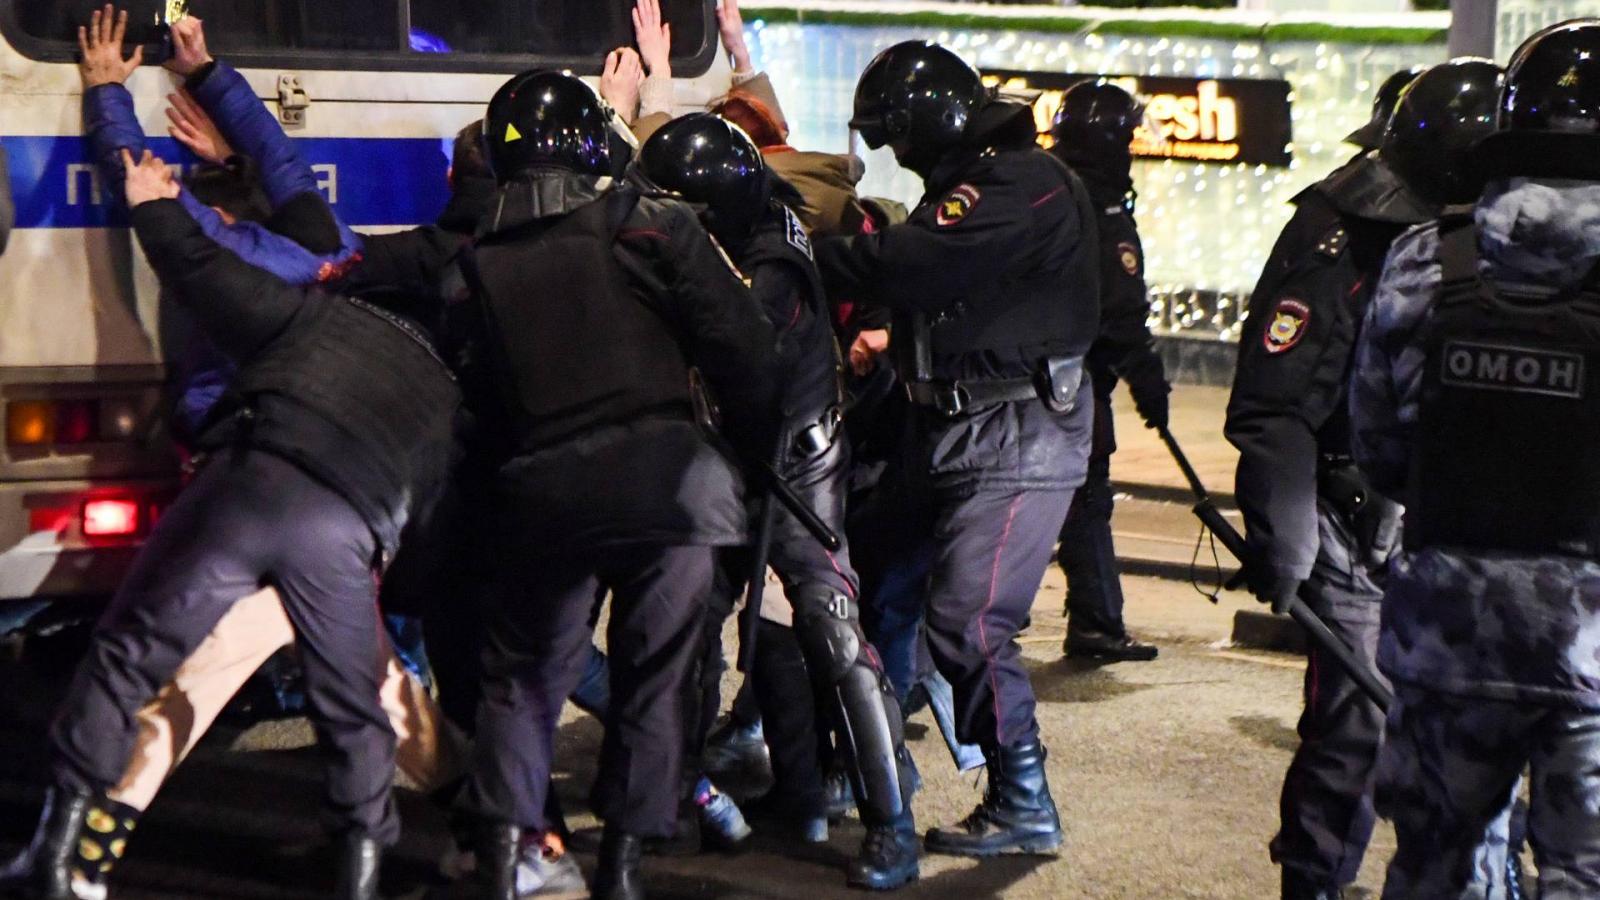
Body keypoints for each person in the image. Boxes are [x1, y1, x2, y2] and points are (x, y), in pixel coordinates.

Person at [0, 138, 458, 900]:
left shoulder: (313, 317)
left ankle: (58, 852)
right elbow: (436, 526)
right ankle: (360, 874)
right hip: (342, 532)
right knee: (354, 708)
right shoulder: (446, 393)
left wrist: (154, 205)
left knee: (126, 657)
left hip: (246, 489)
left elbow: (208, 273)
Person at [449, 70, 781, 900]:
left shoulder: (477, 263)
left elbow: (480, 399)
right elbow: (746, 350)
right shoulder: (650, 222)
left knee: (523, 678)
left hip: (546, 491)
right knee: (657, 679)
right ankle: (623, 868)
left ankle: (506, 858)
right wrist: (747, 461)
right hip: (675, 488)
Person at [813, 40, 1100, 858]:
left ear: (929, 122)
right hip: (948, 428)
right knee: (864, 584)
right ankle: (872, 771)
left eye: (898, 135)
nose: (897, 154)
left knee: (970, 622)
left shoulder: (1018, 183)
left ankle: (1024, 799)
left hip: (1018, 434)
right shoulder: (984, 182)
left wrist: (809, 252)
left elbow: (919, 263)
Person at [1226, 57, 1501, 900]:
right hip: (1353, 517)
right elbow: (1276, 400)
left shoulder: (1514, 237)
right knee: (1355, 727)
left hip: (1466, 527)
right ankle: (1313, 881)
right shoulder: (1340, 230)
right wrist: (1286, 535)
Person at [638, 113, 920, 890]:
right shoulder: (747, 232)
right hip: (731, 452)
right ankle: (675, 797)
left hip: (797, 458)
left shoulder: (770, 265)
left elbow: (746, 365)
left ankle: (891, 824)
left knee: (831, 627)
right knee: (682, 620)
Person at [1352, 20, 1600, 898]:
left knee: (1438, 868)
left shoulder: (1427, 257)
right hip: (1592, 641)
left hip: (1447, 633)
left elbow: (1378, 450)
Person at [1048, 80, 1170, 662]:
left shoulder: (1044, 188)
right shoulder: (1101, 208)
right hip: (1075, 380)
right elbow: (1120, 312)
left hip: (1027, 371)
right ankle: (1097, 622)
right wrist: (1150, 383)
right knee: (1087, 496)